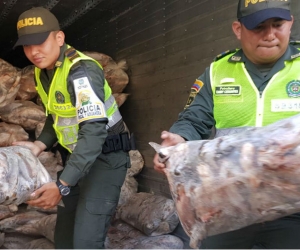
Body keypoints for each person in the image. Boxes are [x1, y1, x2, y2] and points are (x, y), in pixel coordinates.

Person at [153, 0, 300, 248]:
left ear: (290, 24)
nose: (270, 35)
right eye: (259, 27)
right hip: (225, 204)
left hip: (291, 206)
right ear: (238, 29)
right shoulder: (217, 71)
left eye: (277, 25)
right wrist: (178, 140)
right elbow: (193, 118)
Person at [13, 6, 132, 249]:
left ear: (59, 37)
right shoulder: (42, 71)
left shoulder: (82, 72)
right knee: (65, 238)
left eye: (39, 42)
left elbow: (94, 133)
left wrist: (63, 184)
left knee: (86, 242)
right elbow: (55, 115)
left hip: (105, 159)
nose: (33, 52)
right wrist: (39, 144)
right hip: (77, 160)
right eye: (26, 46)